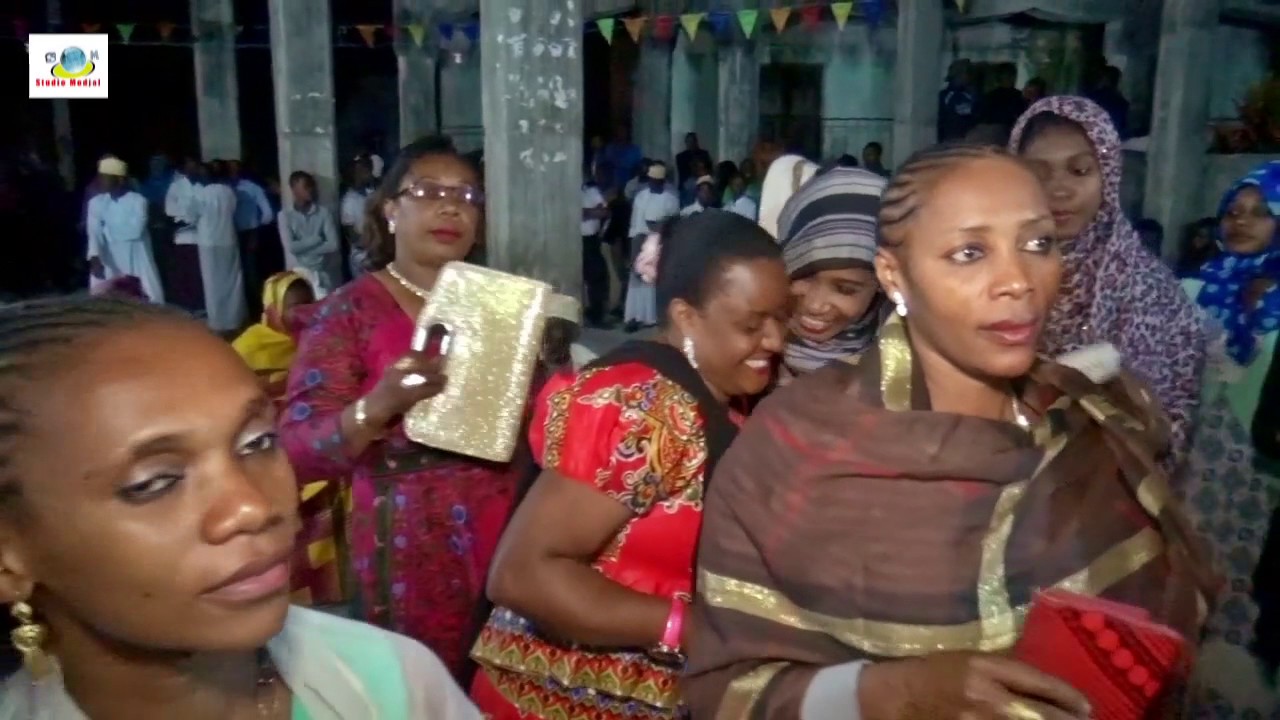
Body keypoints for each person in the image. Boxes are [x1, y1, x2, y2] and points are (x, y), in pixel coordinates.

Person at [683, 143, 1216, 720]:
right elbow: (724, 689)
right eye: (969, 252)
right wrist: (890, 691)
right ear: (893, 274)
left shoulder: (1092, 422)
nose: (1018, 281)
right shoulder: (794, 447)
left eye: (1038, 244)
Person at [0, 296, 482, 719]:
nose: (252, 507)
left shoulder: (393, 684)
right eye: (156, 482)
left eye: (258, 442)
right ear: (9, 556)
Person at [470, 211, 790, 720]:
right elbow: (521, 574)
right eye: (752, 325)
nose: (774, 341)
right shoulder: (648, 407)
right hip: (558, 700)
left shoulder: (732, 392)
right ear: (686, 317)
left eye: (781, 318)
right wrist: (689, 627)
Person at [279, 136, 520, 679]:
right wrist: (378, 406)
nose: (451, 206)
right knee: (417, 685)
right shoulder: (350, 311)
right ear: (390, 210)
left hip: (506, 531)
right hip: (408, 539)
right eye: (428, 191)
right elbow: (296, 449)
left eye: (467, 195)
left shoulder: (503, 305)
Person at [1010, 96, 1206, 470]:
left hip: (1108, 497)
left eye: (1080, 171)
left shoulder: (1149, 291)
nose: (1059, 190)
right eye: (1039, 173)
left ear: (1109, 177)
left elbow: (1171, 419)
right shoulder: (993, 273)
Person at [776, 166, 889, 380]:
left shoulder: (907, 374)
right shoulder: (737, 354)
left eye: (845, 290)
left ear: (882, 284)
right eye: (802, 275)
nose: (815, 305)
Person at [84, 156, 165, 303]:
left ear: (120, 180)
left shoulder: (138, 201)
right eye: (99, 177)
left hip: (135, 257)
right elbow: (93, 232)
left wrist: (106, 230)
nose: (99, 181)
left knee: (145, 299)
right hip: (109, 259)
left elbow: (134, 231)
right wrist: (94, 256)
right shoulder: (96, 203)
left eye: (105, 177)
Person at [232, 271, 316, 397]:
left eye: (310, 303)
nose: (306, 311)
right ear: (275, 309)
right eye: (296, 306)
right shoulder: (250, 345)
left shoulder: (318, 336)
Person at [191, 162, 248, 333]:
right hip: (227, 239)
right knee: (232, 281)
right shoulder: (229, 192)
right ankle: (234, 319)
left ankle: (217, 322)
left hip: (208, 242)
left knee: (212, 284)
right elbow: (233, 211)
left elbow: (192, 215)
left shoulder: (201, 193)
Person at [624, 162, 680, 330]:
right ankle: (633, 317)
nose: (654, 183)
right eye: (651, 180)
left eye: (658, 181)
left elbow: (672, 225)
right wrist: (634, 245)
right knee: (635, 280)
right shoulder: (641, 197)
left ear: (663, 181)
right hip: (639, 239)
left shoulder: (671, 199)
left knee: (651, 279)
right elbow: (635, 223)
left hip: (658, 243)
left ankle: (650, 319)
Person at [278, 171, 342, 297]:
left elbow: (333, 244)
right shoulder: (285, 216)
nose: (310, 190)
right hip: (297, 273)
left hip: (321, 272)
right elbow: (291, 247)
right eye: (306, 186)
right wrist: (317, 239)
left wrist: (304, 250)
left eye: (311, 186)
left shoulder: (323, 213)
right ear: (294, 188)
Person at [229, 160, 277, 317]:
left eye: (235, 168)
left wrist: (256, 229)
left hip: (249, 233)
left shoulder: (251, 188)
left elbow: (268, 213)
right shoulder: (225, 188)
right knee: (235, 275)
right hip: (230, 234)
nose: (232, 171)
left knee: (251, 274)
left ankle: (257, 312)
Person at [581, 174, 611, 327]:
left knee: (597, 277)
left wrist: (586, 212)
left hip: (592, 240)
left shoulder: (591, 191)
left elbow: (604, 212)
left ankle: (596, 315)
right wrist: (591, 212)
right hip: (575, 240)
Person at [341, 156, 377, 278]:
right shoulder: (349, 201)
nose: (369, 173)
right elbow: (352, 236)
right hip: (361, 255)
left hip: (375, 252)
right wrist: (371, 243)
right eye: (364, 171)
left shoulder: (371, 194)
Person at [938, 59, 977, 142]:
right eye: (966, 73)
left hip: (969, 140)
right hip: (951, 140)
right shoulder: (945, 96)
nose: (967, 77)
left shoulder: (972, 95)